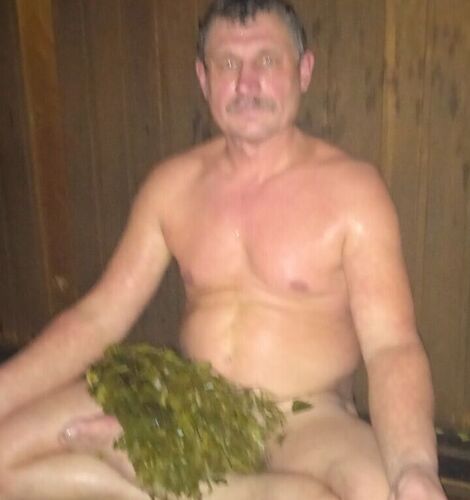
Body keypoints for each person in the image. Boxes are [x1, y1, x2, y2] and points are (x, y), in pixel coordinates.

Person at [0, 1, 447, 499]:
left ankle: (160, 479)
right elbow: (98, 318)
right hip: (184, 395)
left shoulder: (353, 193)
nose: (246, 82)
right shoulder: (173, 185)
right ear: (204, 78)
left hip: (305, 419)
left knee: (384, 492)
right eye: (228, 63)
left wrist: (416, 467)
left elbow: (391, 345)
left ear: (303, 71)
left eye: (267, 61)